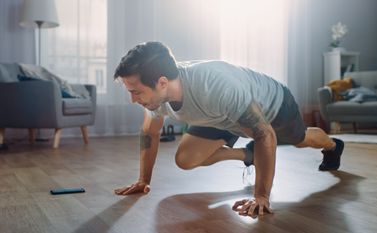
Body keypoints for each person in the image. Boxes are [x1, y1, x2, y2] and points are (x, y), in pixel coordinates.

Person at [113, 41, 344, 217]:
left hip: (273, 106)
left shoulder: (214, 85)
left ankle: (333, 145)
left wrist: (261, 196)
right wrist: (144, 180)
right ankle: (249, 155)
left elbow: (265, 133)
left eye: (136, 91)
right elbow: (149, 133)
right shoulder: (155, 98)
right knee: (185, 158)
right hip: (219, 116)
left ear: (162, 82)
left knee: (301, 139)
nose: (133, 100)